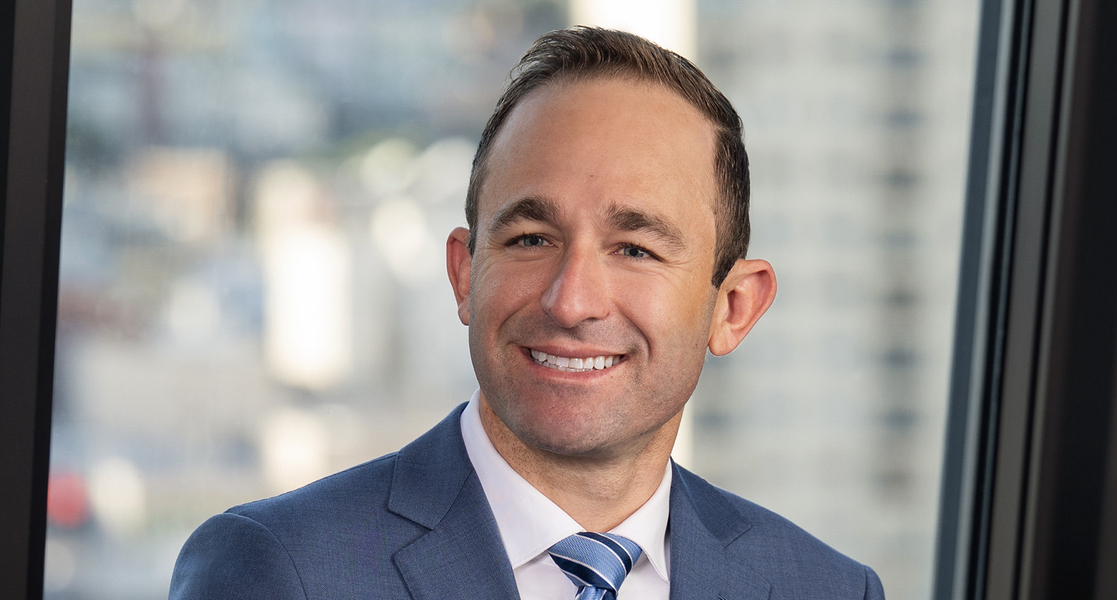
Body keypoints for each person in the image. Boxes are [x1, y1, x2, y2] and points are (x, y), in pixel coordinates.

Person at [169, 26, 885, 600]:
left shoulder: (826, 589)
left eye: (635, 249)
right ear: (464, 273)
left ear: (733, 307)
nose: (570, 301)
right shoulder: (280, 571)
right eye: (531, 239)